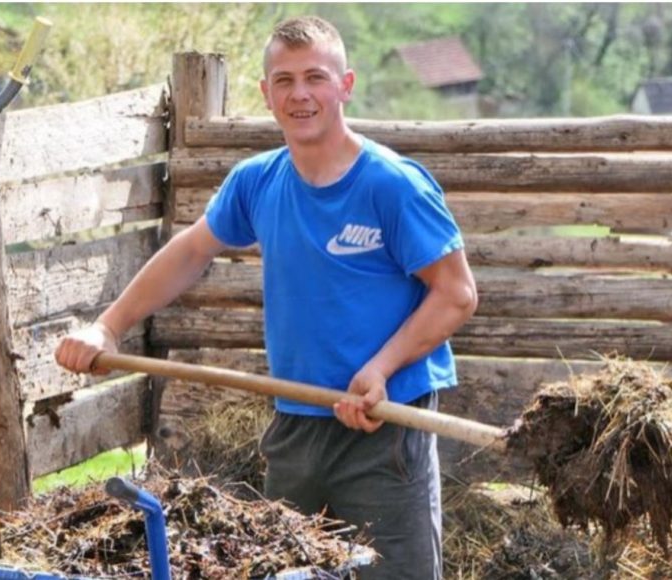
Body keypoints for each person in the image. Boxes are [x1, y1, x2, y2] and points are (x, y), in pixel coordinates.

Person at [55, 15, 477, 579]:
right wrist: (106, 328)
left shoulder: (391, 186)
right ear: (265, 94)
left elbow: (456, 295)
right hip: (297, 423)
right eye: (284, 81)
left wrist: (380, 368)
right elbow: (190, 252)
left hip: (384, 428)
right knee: (288, 570)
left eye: (315, 78)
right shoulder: (258, 182)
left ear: (345, 85)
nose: (300, 94)